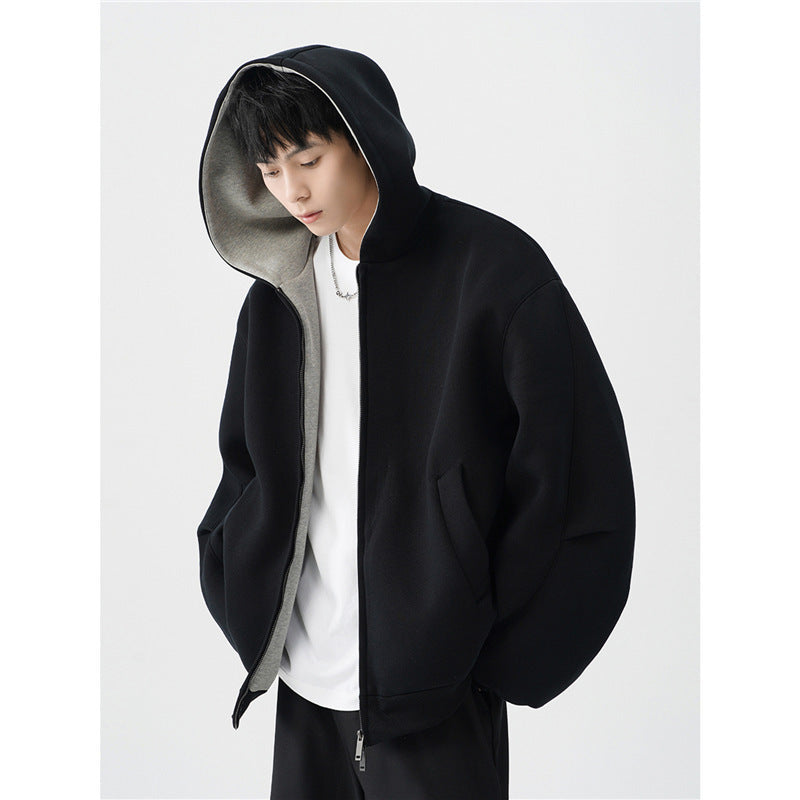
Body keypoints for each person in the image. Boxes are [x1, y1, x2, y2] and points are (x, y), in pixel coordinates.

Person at [196, 44, 636, 800]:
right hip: (305, 679)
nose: (292, 190)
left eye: (309, 159)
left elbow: (575, 476)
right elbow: (245, 465)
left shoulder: (493, 270)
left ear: (365, 138)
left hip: (438, 689)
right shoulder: (279, 295)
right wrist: (240, 582)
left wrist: (492, 650)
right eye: (269, 170)